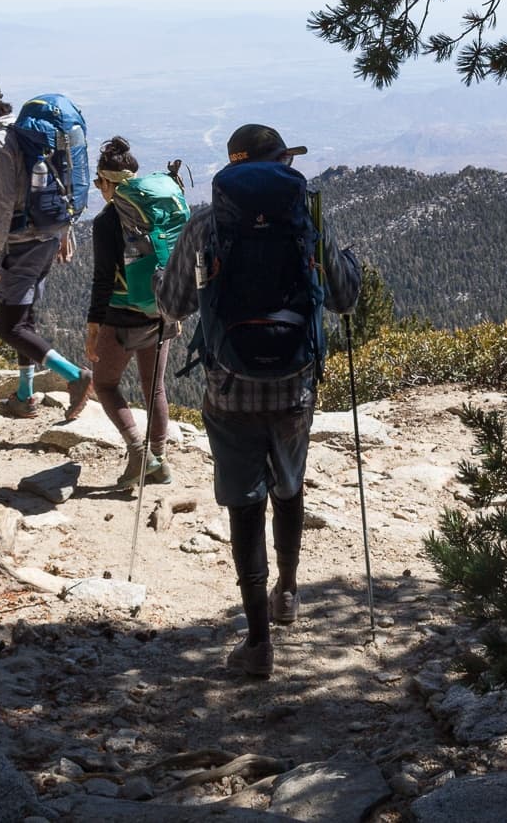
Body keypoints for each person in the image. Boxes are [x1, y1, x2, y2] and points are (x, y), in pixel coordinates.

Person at [155, 123, 360, 679]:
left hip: (227, 386)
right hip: (294, 384)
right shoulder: (308, 220)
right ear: (276, 164)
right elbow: (344, 298)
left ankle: (257, 643)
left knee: (244, 504)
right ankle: (288, 590)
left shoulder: (206, 223)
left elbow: (171, 304)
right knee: (288, 484)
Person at [0, 86, 92, 418]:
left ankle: (75, 377)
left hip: (23, 241)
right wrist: (65, 232)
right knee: (26, 319)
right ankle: (25, 396)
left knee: (11, 327)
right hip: (48, 235)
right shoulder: (31, 132)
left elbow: (0, 203)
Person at [87, 137, 186, 493]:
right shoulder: (157, 209)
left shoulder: (107, 221)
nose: (98, 189)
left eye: (99, 182)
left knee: (105, 383)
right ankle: (158, 459)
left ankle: (138, 450)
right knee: (153, 387)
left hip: (122, 315)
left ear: (109, 182)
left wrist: (93, 327)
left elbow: (102, 280)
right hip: (162, 310)